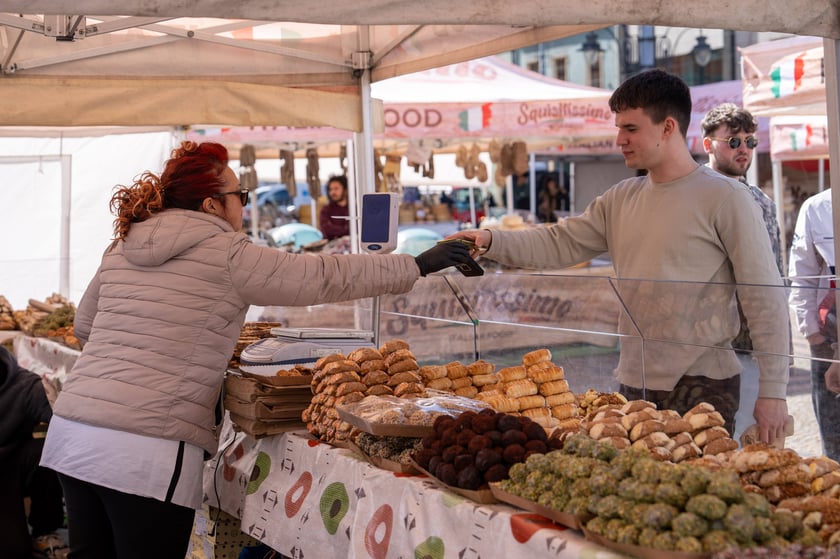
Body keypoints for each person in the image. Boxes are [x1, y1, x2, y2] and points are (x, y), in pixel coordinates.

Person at [39, 141, 472, 559]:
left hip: (74, 432)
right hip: (144, 450)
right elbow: (320, 276)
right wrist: (416, 264)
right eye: (239, 195)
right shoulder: (226, 251)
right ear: (211, 204)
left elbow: (84, 326)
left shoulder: (122, 245)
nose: (244, 204)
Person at [448, 69, 790, 442]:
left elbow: (765, 297)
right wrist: (488, 239)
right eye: (618, 128)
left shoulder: (727, 197)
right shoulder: (621, 197)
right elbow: (559, 243)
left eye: (630, 128)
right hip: (632, 379)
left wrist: (773, 391)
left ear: (667, 127)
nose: (619, 140)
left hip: (703, 383)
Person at [701, 104, 783, 356]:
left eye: (750, 141)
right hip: (705, 345)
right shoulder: (690, 198)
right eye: (734, 141)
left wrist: (781, 346)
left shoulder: (762, 203)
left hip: (755, 344)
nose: (744, 149)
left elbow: (776, 277)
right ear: (708, 145)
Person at [0, 345, 68, 559]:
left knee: (44, 451)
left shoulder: (24, 385)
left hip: (7, 467)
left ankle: (45, 529)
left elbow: (62, 420)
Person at [788, 187, 840, 460]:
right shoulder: (816, 207)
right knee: (833, 440)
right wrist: (814, 339)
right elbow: (802, 276)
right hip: (827, 336)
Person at [319, 174, 350, 239]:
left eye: (336, 188)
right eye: (330, 189)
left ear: (345, 190)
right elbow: (327, 230)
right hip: (331, 246)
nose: (332, 192)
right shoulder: (326, 210)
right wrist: (347, 229)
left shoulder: (354, 209)